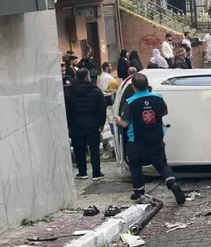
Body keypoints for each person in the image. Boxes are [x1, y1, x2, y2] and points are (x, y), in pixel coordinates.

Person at [113, 73, 186, 205]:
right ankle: (172, 183)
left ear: (133, 87)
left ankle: (139, 193)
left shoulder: (130, 102)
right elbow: (165, 112)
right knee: (162, 165)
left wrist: (118, 120)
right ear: (147, 84)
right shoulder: (158, 97)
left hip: (136, 142)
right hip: (156, 139)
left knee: (135, 167)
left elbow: (124, 123)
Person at [64, 68, 106, 180]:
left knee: (79, 149)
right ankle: (96, 172)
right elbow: (102, 108)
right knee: (94, 149)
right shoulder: (95, 90)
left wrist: (69, 124)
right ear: (87, 76)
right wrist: (102, 123)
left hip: (76, 125)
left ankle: (82, 172)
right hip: (93, 124)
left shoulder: (68, 91)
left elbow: (67, 109)